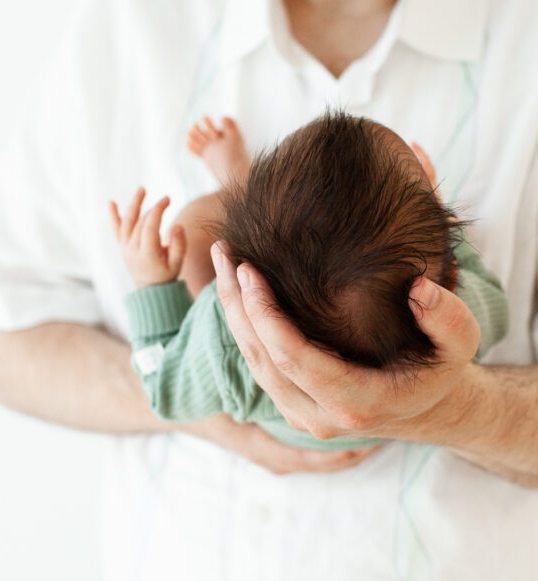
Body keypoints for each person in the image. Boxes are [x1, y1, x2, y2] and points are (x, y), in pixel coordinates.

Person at [0, 0, 538, 581]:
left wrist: (154, 290)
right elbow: (7, 349)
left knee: (197, 235)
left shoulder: (231, 361)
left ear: (247, 302)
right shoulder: (459, 313)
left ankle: (224, 200)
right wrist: (450, 333)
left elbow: (167, 378)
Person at [114, 112, 509, 450]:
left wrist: (153, 286)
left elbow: (162, 388)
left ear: (238, 268)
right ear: (450, 275)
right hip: (386, 437)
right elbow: (494, 302)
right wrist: (440, 226)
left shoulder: (224, 340)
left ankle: (234, 181)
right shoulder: (454, 320)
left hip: (284, 431)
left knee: (194, 228)